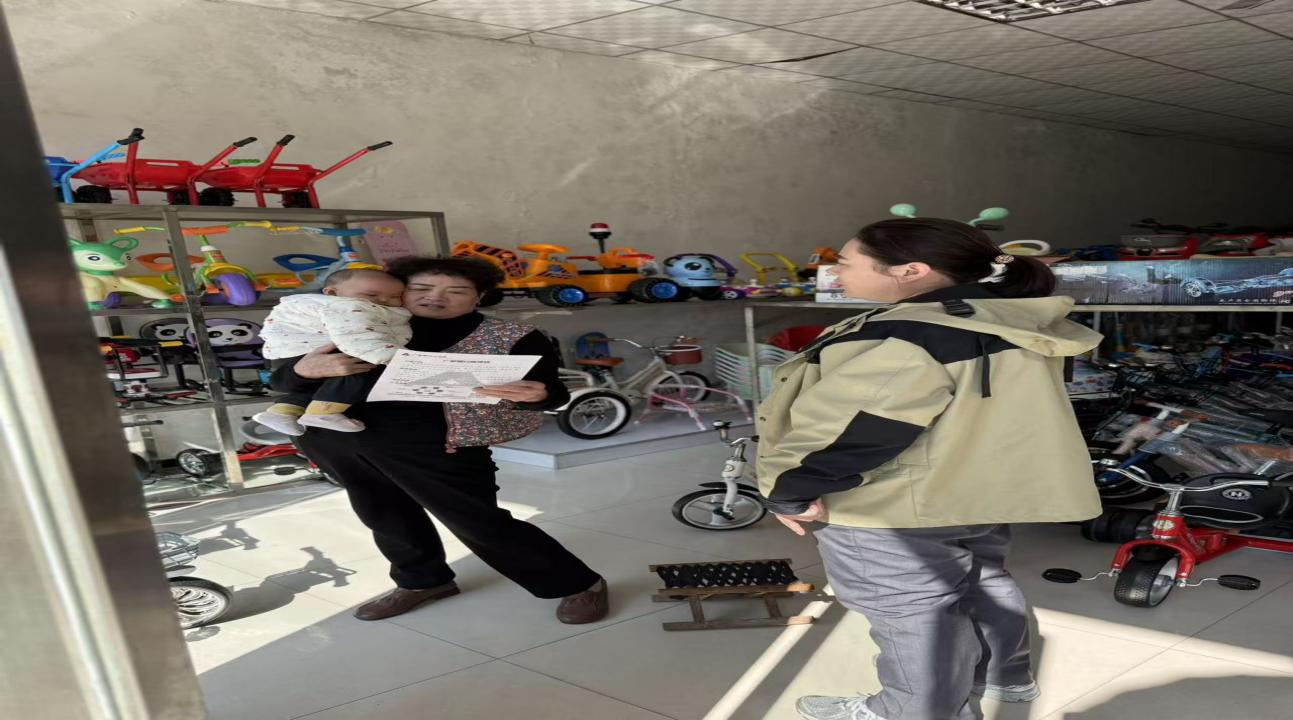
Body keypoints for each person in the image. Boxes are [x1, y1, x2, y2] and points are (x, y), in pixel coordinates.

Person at [757, 218, 1103, 720]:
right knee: (983, 581)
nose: (833, 272)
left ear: (910, 271)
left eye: (845, 262)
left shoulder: (905, 337)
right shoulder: (1002, 318)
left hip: (893, 505)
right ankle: (1004, 677)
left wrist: (790, 490)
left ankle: (914, 711)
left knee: (910, 608)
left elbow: (856, 429)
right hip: (976, 489)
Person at [271, 257, 609, 624]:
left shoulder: (513, 336)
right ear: (400, 292)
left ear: (478, 297)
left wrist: (538, 395)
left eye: (456, 291)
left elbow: (552, 392)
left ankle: (578, 584)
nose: (436, 297)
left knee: (478, 522)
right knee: (384, 515)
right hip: (337, 439)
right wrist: (302, 370)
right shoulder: (347, 318)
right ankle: (422, 581)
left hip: (440, 446)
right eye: (421, 288)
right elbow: (281, 380)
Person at [255, 269, 412, 435]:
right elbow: (359, 337)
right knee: (366, 367)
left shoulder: (333, 305)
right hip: (321, 350)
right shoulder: (348, 307)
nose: (384, 300)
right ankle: (324, 413)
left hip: (293, 351)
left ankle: (283, 411)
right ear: (332, 293)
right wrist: (400, 360)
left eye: (395, 296)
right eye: (371, 295)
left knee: (328, 382)